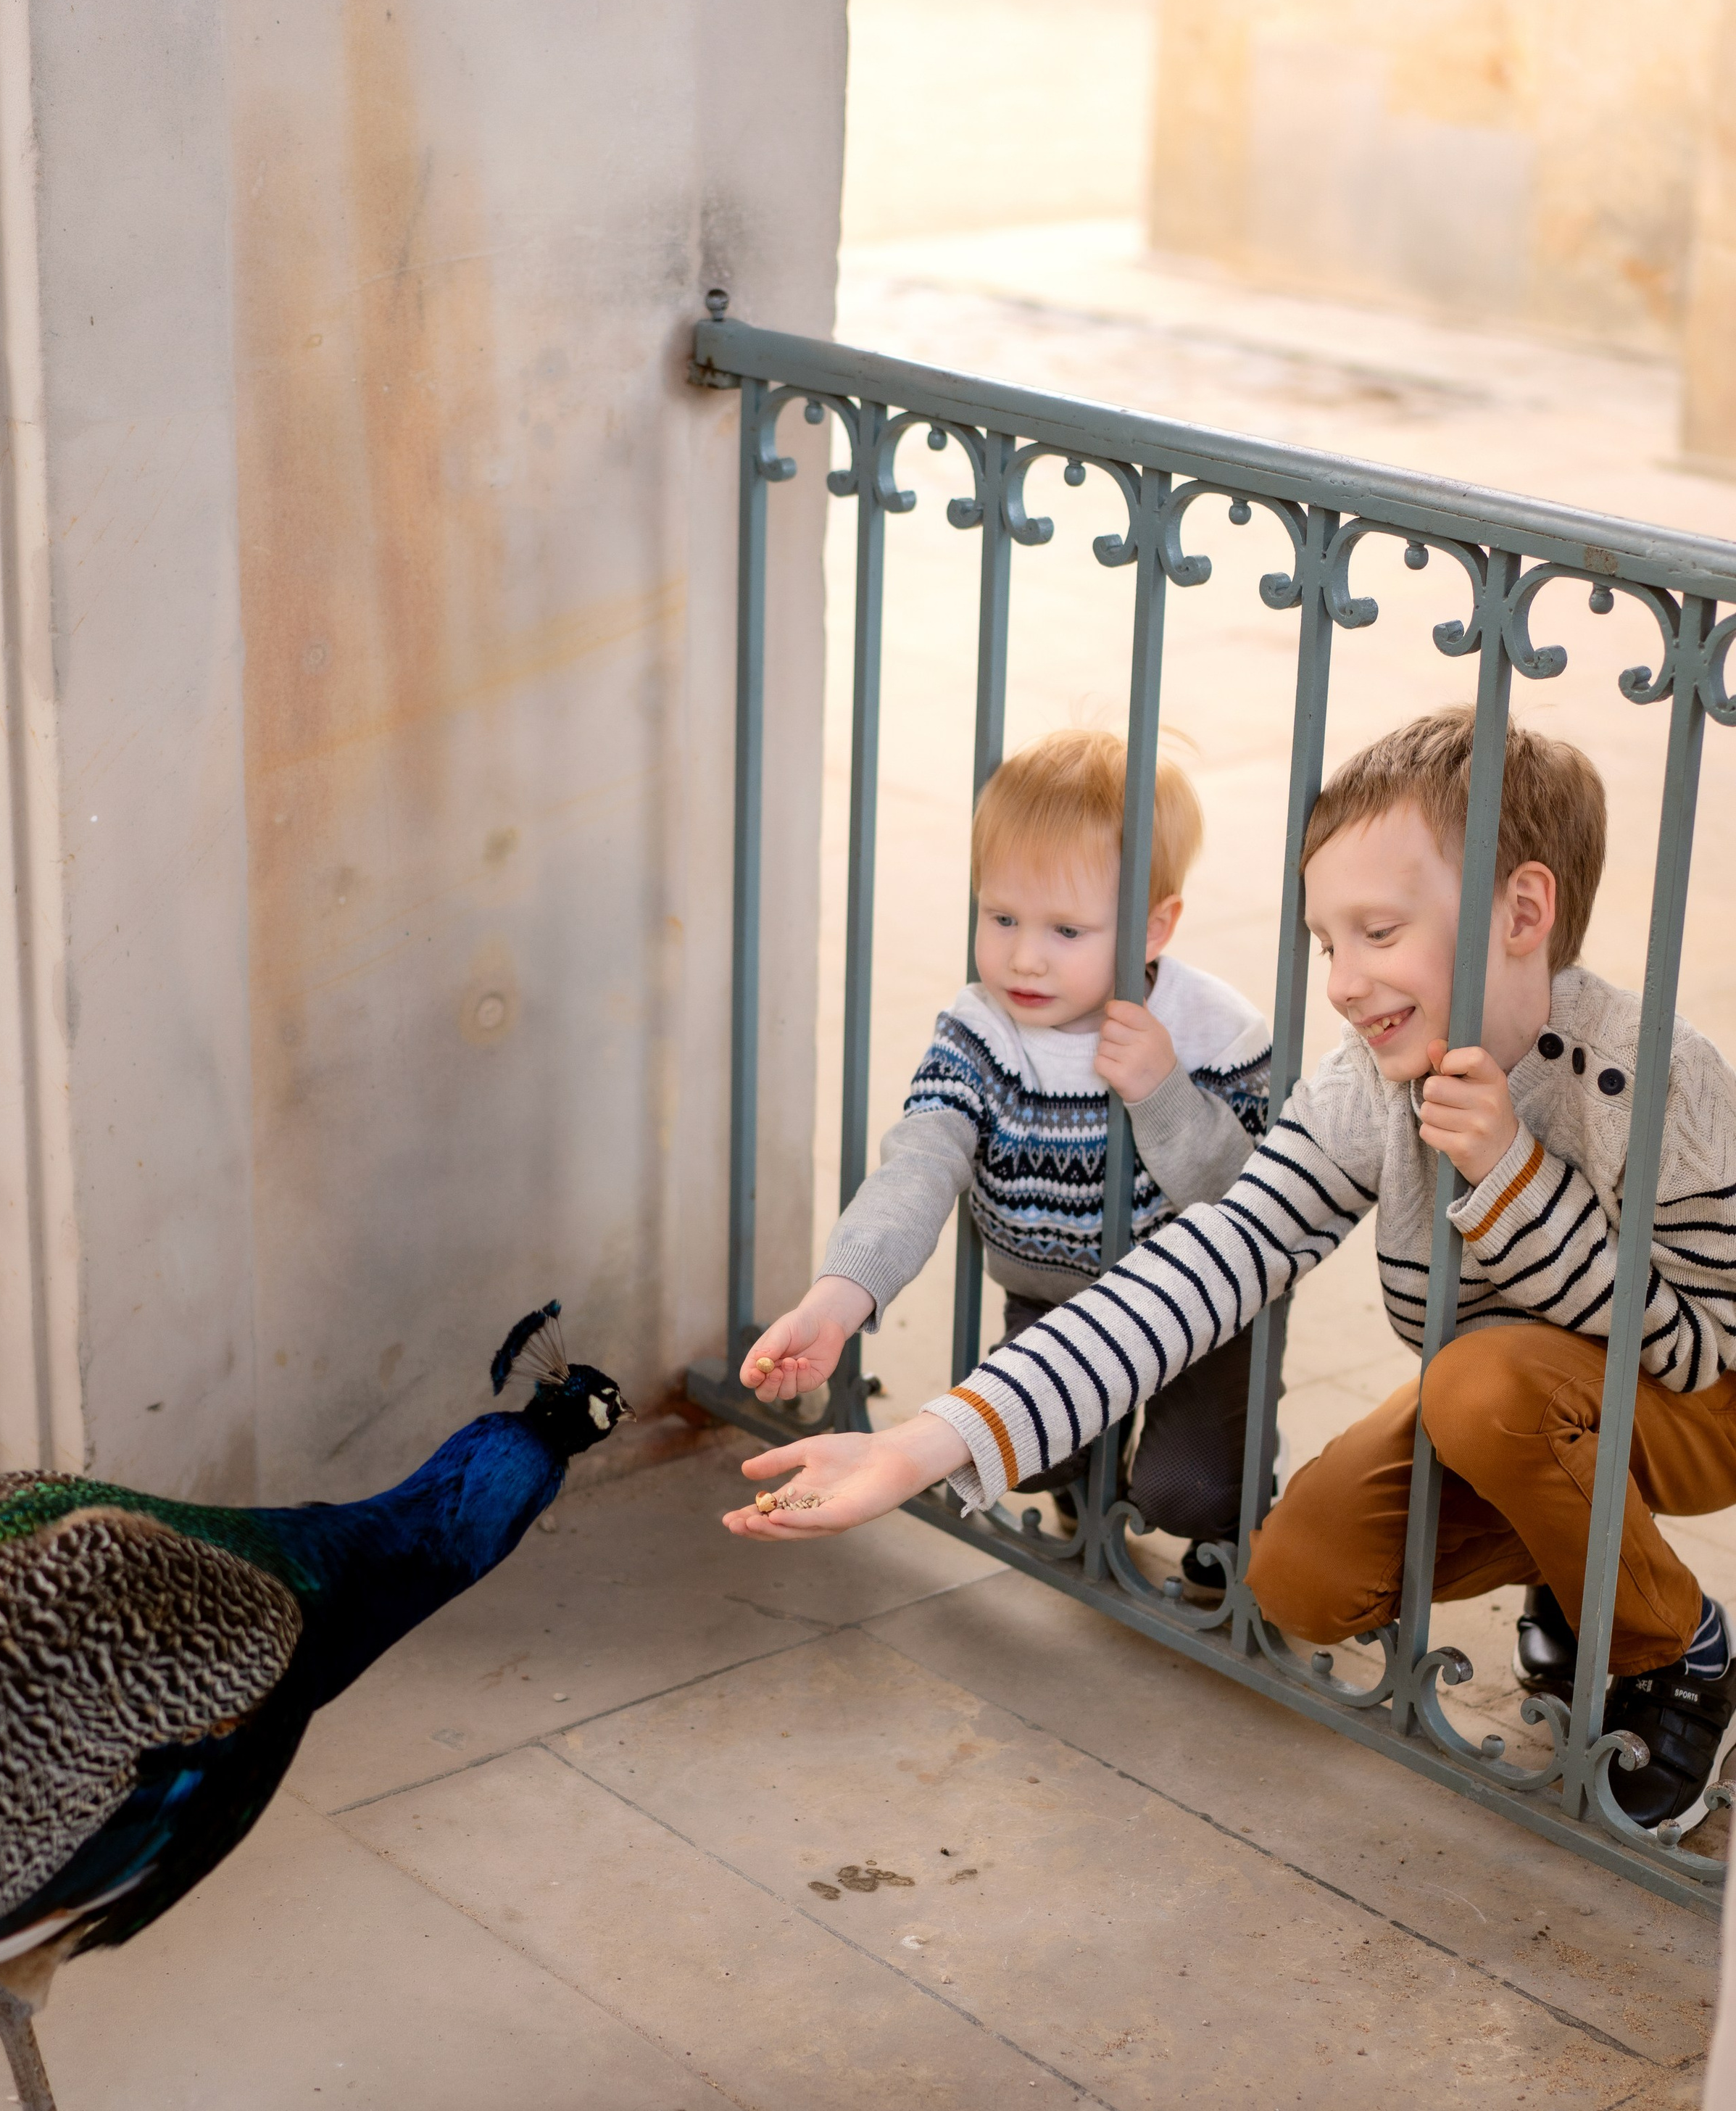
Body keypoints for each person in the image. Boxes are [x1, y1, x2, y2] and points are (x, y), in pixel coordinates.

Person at [726, 705, 1736, 1838]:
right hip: (1519, 1409)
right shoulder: (1368, 1088)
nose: (1345, 982)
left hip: (1695, 1405)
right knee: (1299, 1578)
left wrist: (1510, 1180)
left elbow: (1699, 1348)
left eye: (1380, 932)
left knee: (1480, 1384)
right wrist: (924, 1444)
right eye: (1327, 942)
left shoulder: (1659, 1080)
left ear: (1524, 912)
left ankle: (1679, 1647)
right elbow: (1209, 1259)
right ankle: (1575, 1551)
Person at [742, 726, 1270, 1580]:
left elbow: (1254, 1200)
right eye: (1001, 916)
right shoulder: (981, 1031)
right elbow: (917, 1164)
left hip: (1192, 1312)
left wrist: (1164, 1094)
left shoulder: (1215, 1029)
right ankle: (1082, 1483)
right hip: (1049, 1298)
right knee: (1035, 1455)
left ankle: (1229, 1532)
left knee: (1190, 1489)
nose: (1023, 954)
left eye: (1066, 929)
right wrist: (838, 1300)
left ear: (1152, 926)